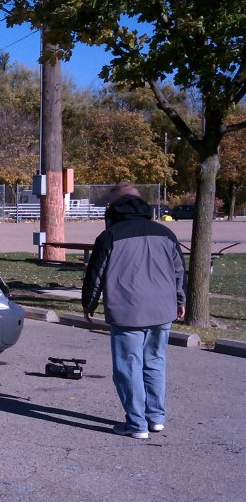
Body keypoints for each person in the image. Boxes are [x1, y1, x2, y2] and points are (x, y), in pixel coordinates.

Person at [82, 181, 185, 439]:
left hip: (128, 310)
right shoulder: (166, 234)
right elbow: (179, 272)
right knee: (155, 363)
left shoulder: (109, 236)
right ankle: (156, 417)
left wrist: (89, 305)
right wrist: (180, 301)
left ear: (114, 209)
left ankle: (136, 423)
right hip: (163, 309)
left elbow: (95, 276)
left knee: (128, 367)